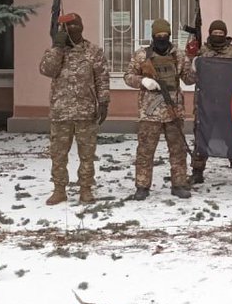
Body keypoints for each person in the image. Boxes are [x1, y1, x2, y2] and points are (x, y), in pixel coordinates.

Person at [39, 12, 109, 206]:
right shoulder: (55, 51)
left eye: (77, 25)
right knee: (58, 154)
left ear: (82, 27)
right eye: (70, 27)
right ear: (63, 30)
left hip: (86, 112)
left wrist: (104, 103)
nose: (74, 30)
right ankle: (59, 190)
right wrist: (58, 47)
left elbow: (102, 78)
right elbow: (47, 70)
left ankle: (86, 189)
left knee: (87, 155)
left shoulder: (93, 51)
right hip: (61, 112)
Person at [125, 19, 196, 200]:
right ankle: (142, 186)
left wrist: (195, 61)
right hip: (150, 112)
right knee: (145, 151)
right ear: (153, 36)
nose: (162, 39)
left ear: (170, 36)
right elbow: (128, 76)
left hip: (174, 111)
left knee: (178, 150)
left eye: (165, 36)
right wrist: (142, 81)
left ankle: (179, 184)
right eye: (158, 36)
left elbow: (188, 79)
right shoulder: (142, 56)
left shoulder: (178, 55)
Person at [187, 19, 232, 187]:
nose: (218, 36)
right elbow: (190, 79)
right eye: (214, 33)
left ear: (226, 34)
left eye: (221, 34)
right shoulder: (202, 52)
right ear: (209, 34)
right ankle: (197, 172)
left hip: (227, 104)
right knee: (201, 139)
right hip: (205, 104)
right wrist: (192, 60)